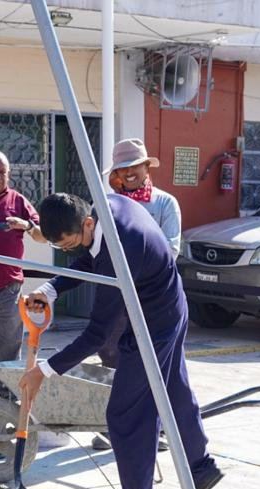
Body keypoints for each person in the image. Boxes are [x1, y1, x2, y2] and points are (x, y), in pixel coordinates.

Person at [18, 193, 223, 489]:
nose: (70, 250)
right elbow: (88, 258)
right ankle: (200, 468)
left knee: (126, 416)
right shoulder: (104, 207)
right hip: (169, 305)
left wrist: (46, 371)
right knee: (173, 388)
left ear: (86, 223)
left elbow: (97, 334)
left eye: (69, 243)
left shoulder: (119, 248)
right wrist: (52, 288)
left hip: (153, 322)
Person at [90, 138, 182, 450]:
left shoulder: (165, 204)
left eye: (135, 167)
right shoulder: (107, 204)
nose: (129, 173)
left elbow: (171, 248)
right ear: (115, 173)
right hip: (116, 297)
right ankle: (110, 426)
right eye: (122, 168)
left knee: (152, 364)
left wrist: (135, 264)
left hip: (153, 299)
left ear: (146, 167)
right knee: (112, 357)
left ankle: (154, 430)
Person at [0, 150, 44, 401]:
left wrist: (26, 225)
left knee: (9, 348)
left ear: (9, 175)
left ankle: (7, 397)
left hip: (8, 288)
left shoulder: (18, 200)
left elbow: (42, 235)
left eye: (2, 172)